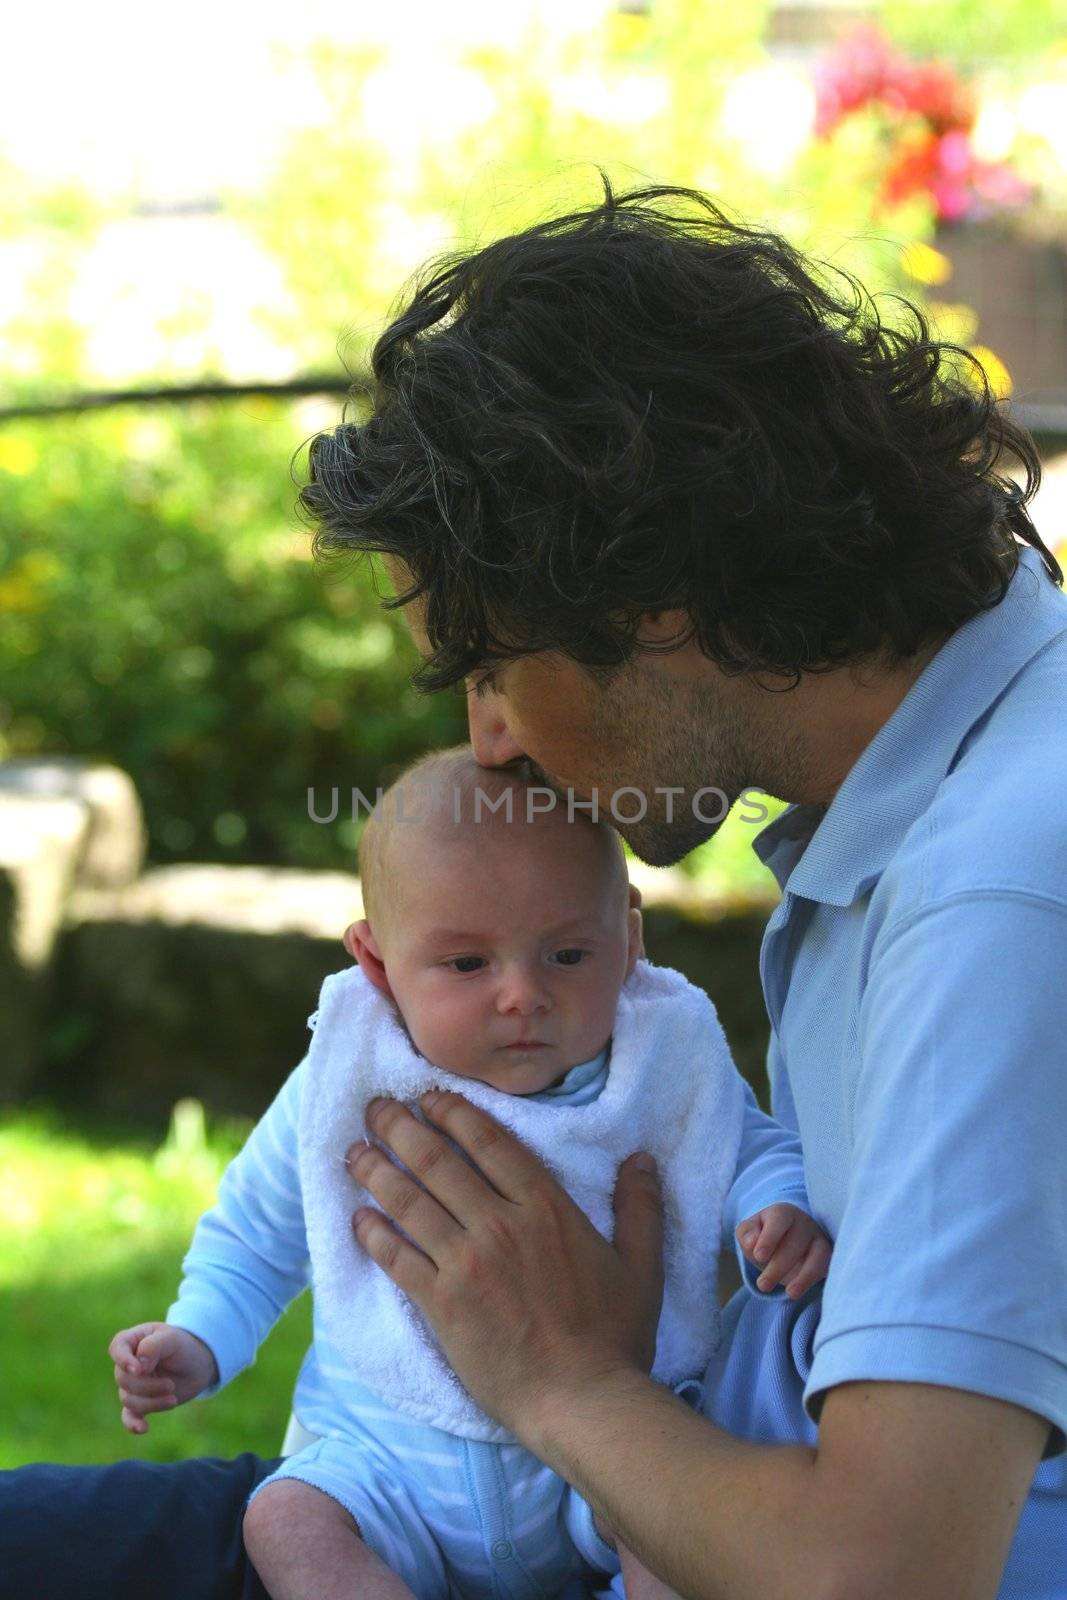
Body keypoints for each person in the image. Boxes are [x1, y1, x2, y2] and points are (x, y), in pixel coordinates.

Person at [2, 174, 1064, 1600]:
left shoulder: (995, 892)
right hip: (583, 1488)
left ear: (654, 598)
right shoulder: (945, 778)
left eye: (491, 670)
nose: (487, 741)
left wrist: (553, 1378)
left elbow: (872, 1576)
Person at [106, 745, 832, 1600]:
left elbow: (746, 1148)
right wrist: (199, 1335)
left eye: (566, 955)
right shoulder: (348, 1079)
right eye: (466, 964)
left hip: (600, 1459)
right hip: (385, 1467)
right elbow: (258, 1230)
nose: (521, 995)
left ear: (628, 937)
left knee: (679, 1529)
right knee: (285, 1520)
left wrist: (774, 1210)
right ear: (376, 964)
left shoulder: (662, 1064)